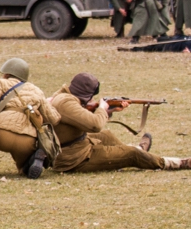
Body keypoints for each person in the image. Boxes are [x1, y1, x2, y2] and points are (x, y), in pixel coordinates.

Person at [49, 73, 191, 173]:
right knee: (132, 154)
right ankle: (175, 163)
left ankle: (137, 151)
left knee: (107, 135)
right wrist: (102, 108)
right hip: (73, 159)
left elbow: (79, 118)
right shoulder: (66, 103)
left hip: (76, 145)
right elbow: (95, 125)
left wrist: (111, 110)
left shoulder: (65, 97)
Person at [0, 58, 60, 179]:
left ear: (6, 74)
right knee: (24, 168)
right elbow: (54, 119)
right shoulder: (37, 91)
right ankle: (36, 158)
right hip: (27, 141)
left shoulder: (0, 83)